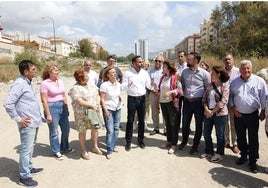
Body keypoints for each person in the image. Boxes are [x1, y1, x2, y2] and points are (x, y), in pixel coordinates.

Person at [3, 60, 43, 187]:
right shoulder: (19, 83)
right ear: (25, 72)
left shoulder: (27, 82)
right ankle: (24, 176)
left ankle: (29, 167)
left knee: (30, 147)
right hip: (27, 124)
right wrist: (18, 118)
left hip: (33, 121)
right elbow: (8, 103)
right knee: (26, 149)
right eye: (33, 70)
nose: (35, 72)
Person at [229, 60, 267, 173]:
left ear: (251, 69)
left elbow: (264, 97)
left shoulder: (259, 81)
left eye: (248, 68)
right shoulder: (234, 82)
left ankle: (253, 161)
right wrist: (233, 109)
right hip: (238, 114)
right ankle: (243, 155)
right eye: (244, 68)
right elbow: (230, 97)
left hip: (252, 115)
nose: (246, 70)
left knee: (253, 139)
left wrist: (263, 110)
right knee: (241, 137)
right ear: (239, 70)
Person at [178, 52, 211, 155]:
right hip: (187, 102)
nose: (187, 61)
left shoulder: (204, 74)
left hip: (199, 103)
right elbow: (181, 83)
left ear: (196, 61)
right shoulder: (184, 72)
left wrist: (206, 105)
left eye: (189, 60)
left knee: (198, 125)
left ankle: (195, 145)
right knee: (185, 124)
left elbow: (208, 89)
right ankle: (184, 141)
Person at [40, 63, 74, 161]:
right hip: (52, 108)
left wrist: (66, 108)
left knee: (66, 129)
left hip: (62, 107)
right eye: (55, 70)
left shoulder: (60, 81)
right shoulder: (45, 83)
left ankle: (64, 147)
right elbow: (44, 100)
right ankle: (56, 151)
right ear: (49, 72)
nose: (57, 72)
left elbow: (64, 95)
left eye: (58, 70)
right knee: (54, 131)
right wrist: (48, 114)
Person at [68, 69, 103, 160]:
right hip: (81, 114)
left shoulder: (92, 85)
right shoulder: (76, 88)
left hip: (93, 111)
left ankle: (95, 146)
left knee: (95, 129)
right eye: (86, 76)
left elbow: (97, 95)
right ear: (80, 78)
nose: (88, 77)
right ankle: (83, 151)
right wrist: (92, 105)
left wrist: (98, 104)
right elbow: (79, 101)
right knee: (82, 131)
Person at [122, 55, 153, 151]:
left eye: (142, 62)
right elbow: (123, 87)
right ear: (134, 63)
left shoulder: (144, 73)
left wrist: (153, 86)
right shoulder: (127, 73)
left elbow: (148, 85)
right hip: (132, 99)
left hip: (142, 99)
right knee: (130, 121)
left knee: (141, 121)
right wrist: (128, 85)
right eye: (139, 62)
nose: (142, 63)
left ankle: (140, 140)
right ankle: (128, 141)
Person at [201, 66, 230, 162]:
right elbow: (204, 98)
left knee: (220, 135)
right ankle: (209, 151)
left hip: (220, 115)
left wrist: (212, 112)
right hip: (208, 113)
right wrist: (206, 109)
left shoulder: (225, 86)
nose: (211, 74)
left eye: (213, 73)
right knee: (206, 133)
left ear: (218, 74)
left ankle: (219, 153)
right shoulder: (210, 85)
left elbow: (223, 101)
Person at [157, 60, 183, 154]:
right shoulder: (162, 77)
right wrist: (157, 102)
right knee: (167, 123)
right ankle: (168, 141)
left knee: (173, 124)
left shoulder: (175, 77)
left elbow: (180, 90)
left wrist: (171, 92)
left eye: (164, 67)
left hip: (171, 103)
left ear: (168, 68)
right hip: (163, 103)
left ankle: (174, 144)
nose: (162, 68)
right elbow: (159, 90)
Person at [99, 66, 122, 159]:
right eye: (112, 72)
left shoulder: (118, 84)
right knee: (110, 130)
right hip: (108, 109)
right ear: (108, 75)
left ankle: (113, 145)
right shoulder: (104, 85)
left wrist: (120, 100)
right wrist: (105, 110)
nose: (114, 74)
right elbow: (102, 99)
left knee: (116, 128)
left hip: (118, 108)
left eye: (115, 72)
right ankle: (109, 150)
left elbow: (118, 95)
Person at [223, 53, 240, 154]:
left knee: (234, 123)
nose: (227, 61)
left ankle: (235, 143)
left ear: (233, 60)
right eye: (225, 60)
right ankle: (226, 141)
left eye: (229, 59)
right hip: (224, 101)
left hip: (235, 101)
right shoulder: (222, 72)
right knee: (225, 122)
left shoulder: (238, 71)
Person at [149, 55, 164, 135]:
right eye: (156, 60)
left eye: (159, 61)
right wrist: (153, 90)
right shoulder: (150, 71)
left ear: (162, 62)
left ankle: (165, 129)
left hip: (163, 94)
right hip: (153, 93)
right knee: (154, 111)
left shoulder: (165, 70)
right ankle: (156, 128)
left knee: (165, 112)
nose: (157, 62)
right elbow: (148, 83)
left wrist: (160, 92)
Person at [133, 61, 150, 131]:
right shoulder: (137, 73)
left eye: (146, 65)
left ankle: (145, 122)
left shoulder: (149, 73)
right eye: (143, 64)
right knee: (137, 109)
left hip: (147, 93)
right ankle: (135, 122)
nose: (144, 65)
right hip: (138, 94)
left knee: (147, 109)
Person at [176, 51, 188, 134]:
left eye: (181, 56)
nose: (180, 58)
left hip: (186, 93)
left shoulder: (188, 67)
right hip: (178, 92)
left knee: (186, 111)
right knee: (177, 110)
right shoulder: (176, 67)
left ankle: (186, 126)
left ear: (185, 57)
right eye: (179, 56)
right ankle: (177, 126)